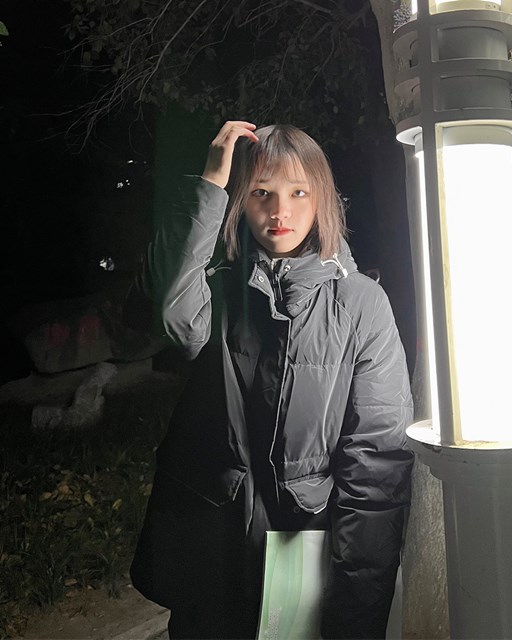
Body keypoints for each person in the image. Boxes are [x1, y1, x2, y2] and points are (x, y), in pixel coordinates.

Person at [125, 121, 414, 639]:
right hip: (210, 538)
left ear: (322, 199)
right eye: (262, 193)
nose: (280, 212)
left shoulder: (361, 304)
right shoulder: (218, 289)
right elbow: (174, 319)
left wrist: (360, 605)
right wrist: (210, 184)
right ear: (241, 201)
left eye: (298, 192)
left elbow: (377, 461)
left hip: (302, 543)